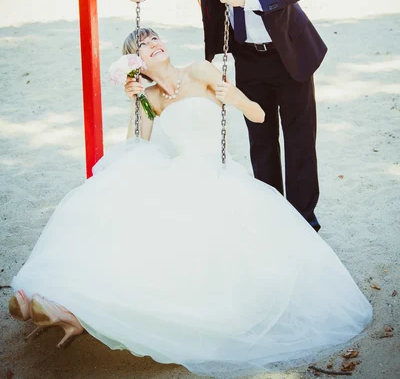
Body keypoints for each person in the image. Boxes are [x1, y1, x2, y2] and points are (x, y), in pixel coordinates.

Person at [10, 28, 372, 378]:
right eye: (142, 44)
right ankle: (59, 300)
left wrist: (236, 98)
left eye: (154, 38)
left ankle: (76, 315)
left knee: (181, 253)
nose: (152, 43)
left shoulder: (199, 70)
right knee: (118, 213)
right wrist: (135, 104)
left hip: (217, 176)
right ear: (135, 64)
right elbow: (135, 149)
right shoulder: (149, 98)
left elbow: (258, 114)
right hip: (178, 173)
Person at [127, 0, 327, 232]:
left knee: (299, 142)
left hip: (290, 54)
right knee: (260, 142)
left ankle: (304, 223)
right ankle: (271, 217)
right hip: (246, 57)